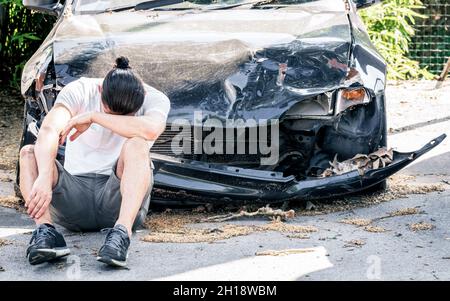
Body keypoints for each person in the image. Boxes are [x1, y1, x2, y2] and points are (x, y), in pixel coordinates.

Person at [19, 56, 170, 267]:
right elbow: (49, 129)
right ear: (100, 91)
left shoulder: (155, 98)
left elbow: (152, 129)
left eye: (127, 116)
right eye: (109, 111)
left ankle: (120, 236)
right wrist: (44, 176)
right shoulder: (81, 90)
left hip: (117, 200)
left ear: (142, 96)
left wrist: (95, 117)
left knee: (137, 143)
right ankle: (46, 233)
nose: (118, 119)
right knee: (28, 153)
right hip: (73, 199)